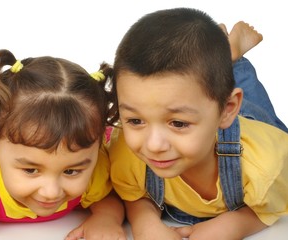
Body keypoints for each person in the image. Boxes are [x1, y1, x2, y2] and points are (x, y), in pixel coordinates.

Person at [106, 8, 288, 240]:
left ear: (227, 110)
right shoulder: (126, 154)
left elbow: (269, 209)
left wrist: (235, 225)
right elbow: (134, 195)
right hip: (208, 107)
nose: (154, 145)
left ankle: (234, 57)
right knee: (210, 87)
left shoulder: (267, 167)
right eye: (135, 120)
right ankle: (224, 55)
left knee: (249, 98)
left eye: (178, 123)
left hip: (253, 130)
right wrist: (145, 223)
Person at [0, 49, 126, 240]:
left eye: (71, 172)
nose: (51, 192)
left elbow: (106, 195)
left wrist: (107, 218)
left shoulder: (91, 162)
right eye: (31, 170)